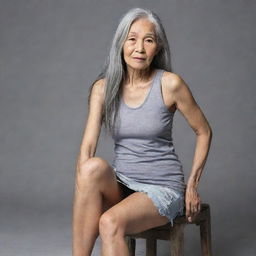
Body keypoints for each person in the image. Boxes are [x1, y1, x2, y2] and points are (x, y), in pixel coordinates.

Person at [72, 7, 212, 256]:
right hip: (123, 183)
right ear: (121, 43)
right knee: (90, 167)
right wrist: (84, 187)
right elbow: (88, 147)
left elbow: (204, 131)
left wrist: (192, 184)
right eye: (132, 39)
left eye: (148, 40)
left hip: (161, 187)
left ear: (157, 47)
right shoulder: (103, 89)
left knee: (109, 222)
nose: (139, 48)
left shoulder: (170, 84)